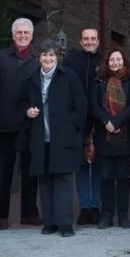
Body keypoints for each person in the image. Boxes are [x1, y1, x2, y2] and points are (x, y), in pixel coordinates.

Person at [20, 40, 88, 237]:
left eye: (51, 55)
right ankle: (49, 222)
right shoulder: (32, 79)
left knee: (64, 181)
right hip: (41, 138)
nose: (48, 58)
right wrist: (27, 111)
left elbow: (81, 105)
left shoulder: (69, 76)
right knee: (45, 181)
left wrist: (71, 125)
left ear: (57, 57)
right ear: (39, 58)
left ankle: (65, 223)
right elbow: (23, 102)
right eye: (44, 55)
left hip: (64, 138)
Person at [0, 18, 41, 229]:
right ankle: (1, 215)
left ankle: (29, 213)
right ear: (13, 35)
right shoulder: (0, 58)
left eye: (26, 33)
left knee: (30, 172)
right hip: (5, 124)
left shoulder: (39, 59)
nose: (22, 36)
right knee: (3, 172)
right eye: (18, 32)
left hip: (31, 125)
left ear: (31, 35)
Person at [89, 47, 130, 229]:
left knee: (123, 176)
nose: (115, 63)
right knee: (105, 176)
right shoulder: (99, 81)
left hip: (125, 137)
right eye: (112, 60)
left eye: (118, 60)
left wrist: (116, 122)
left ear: (124, 62)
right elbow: (93, 105)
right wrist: (107, 122)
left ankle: (124, 215)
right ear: (107, 62)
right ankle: (107, 215)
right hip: (105, 136)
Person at [62, 28, 103, 225]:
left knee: (97, 165)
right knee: (80, 165)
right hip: (77, 121)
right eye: (85, 38)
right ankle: (84, 206)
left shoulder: (105, 61)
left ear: (98, 41)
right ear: (80, 41)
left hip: (99, 122)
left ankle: (96, 205)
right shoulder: (70, 62)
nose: (89, 41)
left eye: (92, 38)